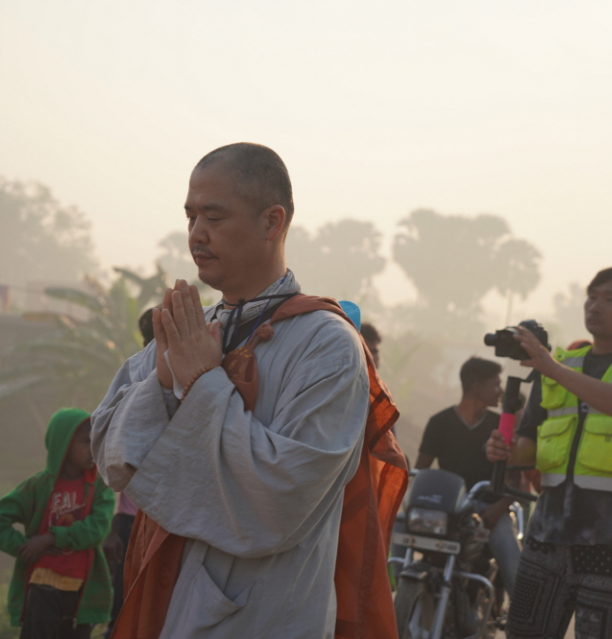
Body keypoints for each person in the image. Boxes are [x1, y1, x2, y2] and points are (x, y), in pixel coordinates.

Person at [90, 143, 406, 639]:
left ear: (272, 222)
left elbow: (280, 497)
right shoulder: (196, 329)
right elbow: (111, 450)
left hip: (268, 615)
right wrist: (168, 380)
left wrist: (202, 383)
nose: (197, 234)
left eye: (214, 217)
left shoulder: (326, 345)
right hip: (168, 598)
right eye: (191, 216)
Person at [487, 266, 612, 639]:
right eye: (592, 296)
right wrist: (507, 449)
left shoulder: (556, 369)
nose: (595, 306)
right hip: (547, 535)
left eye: (611, 299)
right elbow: (529, 448)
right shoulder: (561, 368)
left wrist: (551, 367)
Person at [0, 408, 114, 639]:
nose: (92, 448)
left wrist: (51, 538)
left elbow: (97, 529)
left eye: (95, 441)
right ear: (62, 444)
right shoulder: (36, 487)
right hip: (43, 584)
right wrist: (24, 547)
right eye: (85, 442)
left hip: (82, 586)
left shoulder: (100, 487)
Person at [415, 356, 521, 595]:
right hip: (447, 508)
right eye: (496, 384)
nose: (501, 391)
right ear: (477, 386)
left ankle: (524, 623)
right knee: (399, 529)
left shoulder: (501, 426)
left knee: (513, 561)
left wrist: (498, 509)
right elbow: (421, 471)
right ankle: (399, 588)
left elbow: (517, 480)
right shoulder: (439, 422)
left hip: (488, 509)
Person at [102, 308, 154, 636]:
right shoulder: (143, 376)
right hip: (138, 517)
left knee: (132, 601)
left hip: (142, 515)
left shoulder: (136, 374)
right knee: (128, 601)